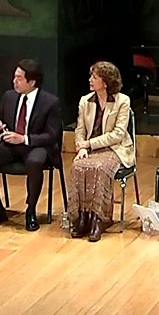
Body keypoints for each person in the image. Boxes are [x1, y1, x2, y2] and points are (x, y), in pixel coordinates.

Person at [0, 59, 62, 231]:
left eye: (19, 78)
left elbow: (52, 136)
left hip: (36, 145)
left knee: (34, 162)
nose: (14, 81)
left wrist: (24, 138)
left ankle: (31, 210)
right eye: (14, 77)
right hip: (11, 145)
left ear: (32, 82)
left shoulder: (50, 102)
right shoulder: (9, 96)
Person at [67, 61, 135, 242]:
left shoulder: (123, 101)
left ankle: (100, 218)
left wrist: (88, 144)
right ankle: (81, 216)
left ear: (106, 82)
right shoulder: (85, 101)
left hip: (115, 148)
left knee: (99, 167)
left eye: (94, 77)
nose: (90, 80)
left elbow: (117, 134)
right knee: (78, 166)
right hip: (89, 146)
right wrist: (81, 146)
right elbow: (80, 128)